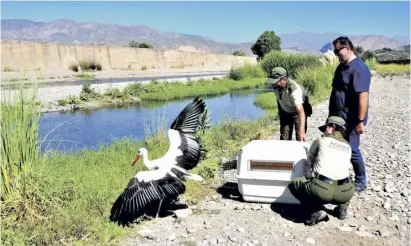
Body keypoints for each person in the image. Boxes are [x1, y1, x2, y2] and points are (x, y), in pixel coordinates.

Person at [287, 116, 355, 226]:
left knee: (294, 184)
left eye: (326, 127)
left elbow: (310, 158)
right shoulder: (348, 146)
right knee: (346, 180)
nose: (324, 130)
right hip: (346, 193)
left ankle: (315, 211)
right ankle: (342, 210)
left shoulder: (322, 139)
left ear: (332, 127)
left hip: (323, 190)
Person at [328, 36, 372, 193]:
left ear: (347, 48)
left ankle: (361, 181)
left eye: (337, 51)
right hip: (338, 117)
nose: (336, 54)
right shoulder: (340, 68)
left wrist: (360, 121)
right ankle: (341, 177)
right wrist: (330, 118)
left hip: (352, 118)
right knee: (337, 146)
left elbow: (363, 97)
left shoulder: (359, 68)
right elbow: (336, 92)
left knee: (352, 149)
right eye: (335, 51)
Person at [267, 67, 312, 142]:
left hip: (297, 113)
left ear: (284, 79)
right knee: (284, 139)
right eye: (272, 82)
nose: (273, 84)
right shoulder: (277, 86)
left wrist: (302, 131)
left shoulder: (294, 90)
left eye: (275, 82)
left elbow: (301, 111)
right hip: (285, 112)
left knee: (300, 138)